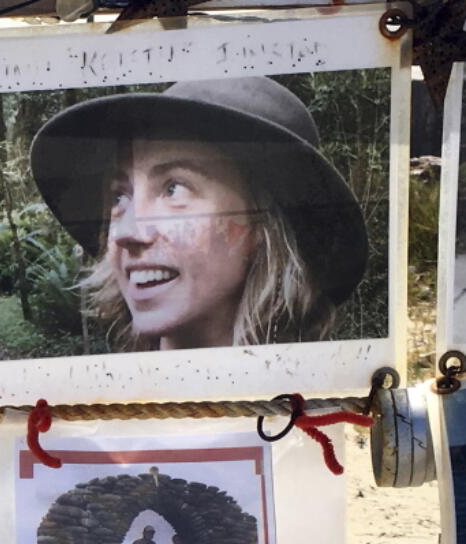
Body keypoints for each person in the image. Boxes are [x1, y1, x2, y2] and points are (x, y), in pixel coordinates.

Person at [30, 77, 366, 351]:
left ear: (264, 227)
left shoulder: (321, 418)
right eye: (120, 195)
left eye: (174, 189)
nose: (126, 232)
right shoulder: (84, 420)